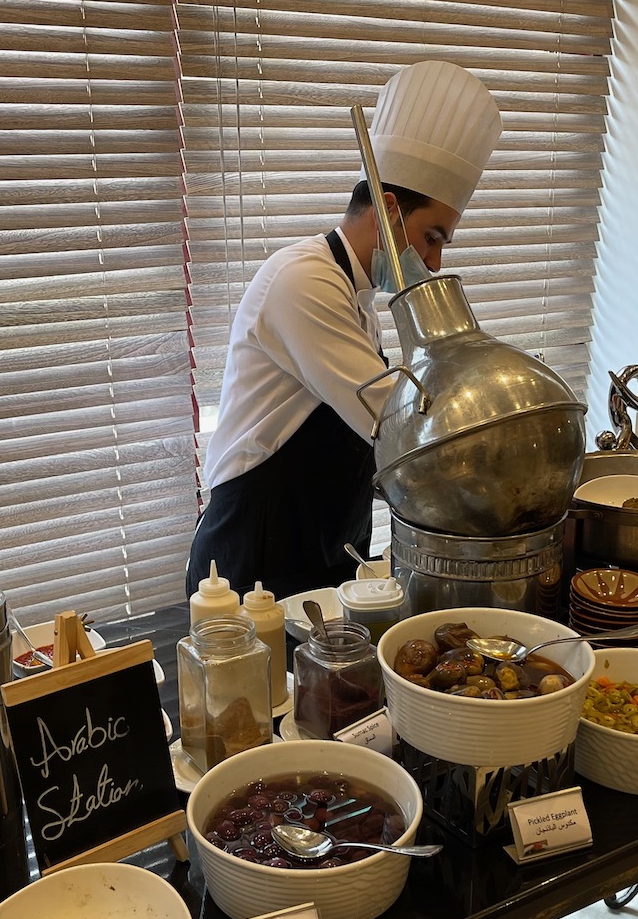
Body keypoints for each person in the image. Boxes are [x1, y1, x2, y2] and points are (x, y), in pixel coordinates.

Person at [186, 61, 502, 600]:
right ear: (389, 209)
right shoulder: (302, 281)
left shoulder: (356, 296)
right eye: (431, 237)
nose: (434, 259)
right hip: (256, 558)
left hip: (321, 551)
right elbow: (394, 422)